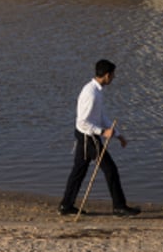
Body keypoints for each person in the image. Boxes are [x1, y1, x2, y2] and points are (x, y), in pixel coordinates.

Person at [58, 59, 141, 217]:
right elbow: (83, 121)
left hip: (88, 135)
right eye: (113, 75)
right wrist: (102, 133)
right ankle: (119, 207)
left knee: (79, 171)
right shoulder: (90, 93)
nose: (114, 78)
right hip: (88, 137)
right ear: (107, 75)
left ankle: (66, 205)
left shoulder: (97, 91)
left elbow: (100, 117)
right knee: (110, 170)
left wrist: (117, 135)